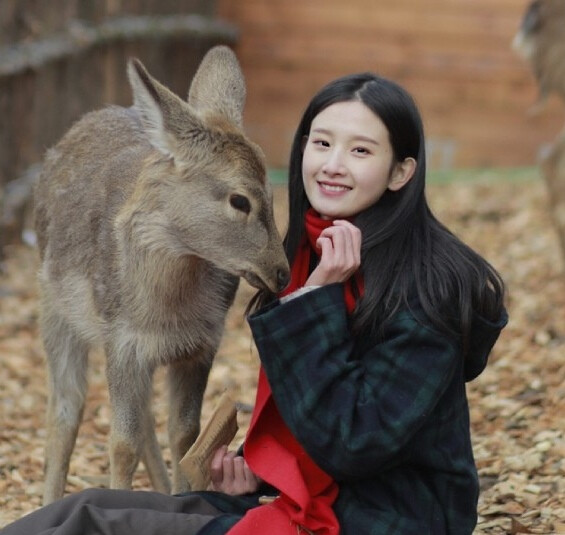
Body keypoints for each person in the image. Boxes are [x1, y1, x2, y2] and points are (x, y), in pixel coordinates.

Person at [0, 71, 507, 535]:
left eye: (360, 152)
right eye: (322, 142)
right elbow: (323, 420)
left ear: (401, 173)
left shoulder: (428, 288)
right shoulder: (313, 253)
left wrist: (314, 302)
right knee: (75, 510)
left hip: (383, 522)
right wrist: (255, 475)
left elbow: (356, 443)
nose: (332, 164)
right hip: (309, 502)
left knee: (88, 527)